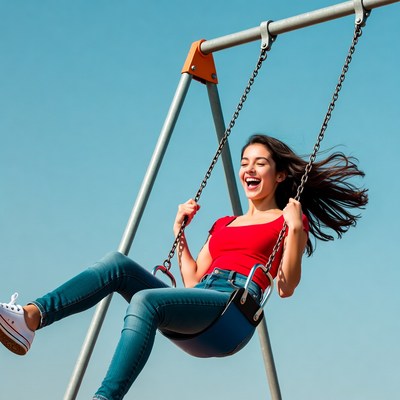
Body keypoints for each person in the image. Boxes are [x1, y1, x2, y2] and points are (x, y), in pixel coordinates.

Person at [0, 134, 368, 399]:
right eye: (244, 164)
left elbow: (286, 287)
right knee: (116, 264)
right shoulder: (225, 223)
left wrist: (297, 228)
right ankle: (31, 318)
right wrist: (180, 234)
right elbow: (192, 279)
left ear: (281, 175)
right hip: (203, 299)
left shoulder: (286, 221)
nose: (249, 170)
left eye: (260, 163)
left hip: (231, 311)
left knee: (144, 300)